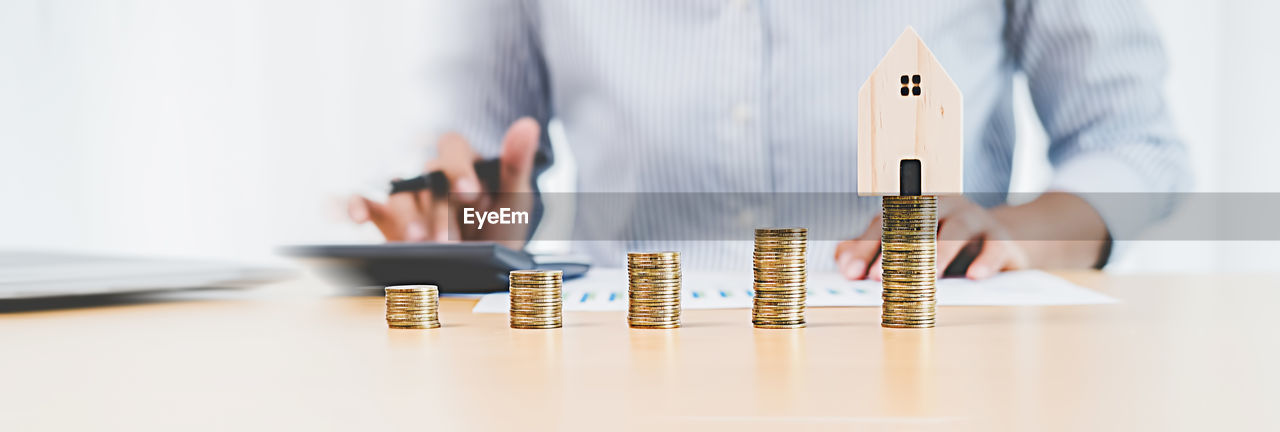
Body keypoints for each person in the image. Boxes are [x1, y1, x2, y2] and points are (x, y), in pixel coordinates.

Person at [348, 0, 1188, 279]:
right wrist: (470, 230)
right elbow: (481, 194)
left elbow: (1134, 145)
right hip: (619, 381)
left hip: (940, 374)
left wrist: (1022, 234)